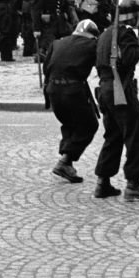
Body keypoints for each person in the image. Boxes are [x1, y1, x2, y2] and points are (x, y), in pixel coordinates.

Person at [93, 0, 139, 201]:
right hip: (120, 87)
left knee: (113, 135)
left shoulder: (106, 34)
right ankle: (133, 183)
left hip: (105, 88)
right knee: (136, 136)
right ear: (133, 17)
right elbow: (129, 58)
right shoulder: (125, 35)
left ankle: (103, 181)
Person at [44, 19, 101, 183]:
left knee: (69, 124)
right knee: (89, 125)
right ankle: (65, 161)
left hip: (53, 90)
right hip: (73, 91)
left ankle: (66, 161)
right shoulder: (92, 45)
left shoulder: (57, 43)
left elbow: (46, 68)